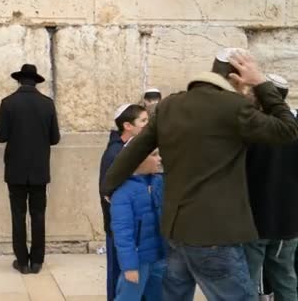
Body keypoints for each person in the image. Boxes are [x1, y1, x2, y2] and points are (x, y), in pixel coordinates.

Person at [103, 48, 298, 300]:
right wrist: (260, 82)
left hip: (176, 230)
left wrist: (109, 185)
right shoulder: (234, 106)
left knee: (175, 295)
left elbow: (135, 151)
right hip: (214, 234)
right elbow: (287, 129)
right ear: (238, 79)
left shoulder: (170, 104)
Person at [0, 64, 61, 274]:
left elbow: (0, 136)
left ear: (19, 80)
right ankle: (37, 261)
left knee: (18, 215)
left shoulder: (8, 103)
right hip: (40, 170)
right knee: (39, 215)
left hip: (15, 170)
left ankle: (22, 261)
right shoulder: (47, 104)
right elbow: (55, 138)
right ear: (36, 81)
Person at [244, 73, 298, 301]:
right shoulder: (294, 128)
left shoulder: (251, 129)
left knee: (248, 283)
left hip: (254, 221)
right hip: (288, 222)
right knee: (285, 279)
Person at [99, 104, 148, 300]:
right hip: (122, 228)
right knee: (120, 279)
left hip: (135, 227)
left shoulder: (131, 148)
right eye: (143, 121)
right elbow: (108, 193)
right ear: (128, 125)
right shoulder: (116, 153)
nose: (148, 125)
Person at [111, 149, 165, 300]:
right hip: (138, 261)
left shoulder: (158, 182)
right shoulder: (124, 192)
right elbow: (122, 232)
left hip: (159, 257)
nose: (159, 159)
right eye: (154, 155)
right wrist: (129, 266)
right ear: (138, 159)